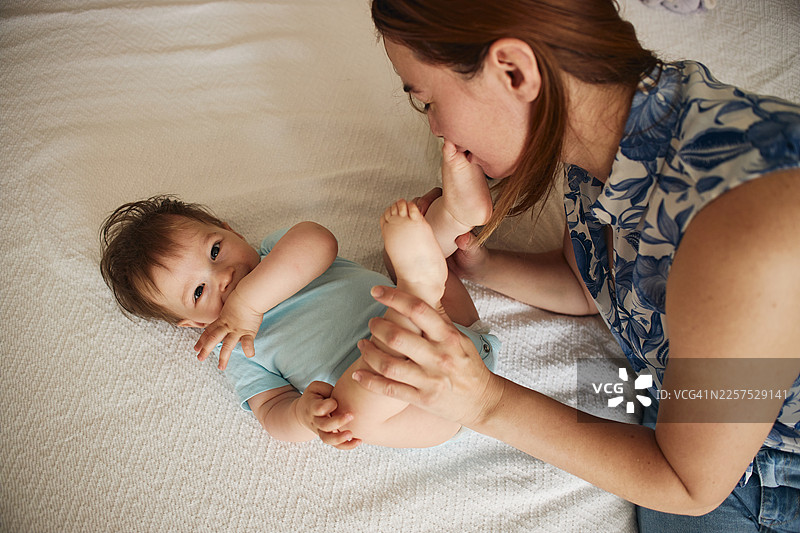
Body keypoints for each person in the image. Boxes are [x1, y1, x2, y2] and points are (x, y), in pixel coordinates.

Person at [341, 0, 800, 530]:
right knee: (590, 395)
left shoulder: (745, 232)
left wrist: (482, 402)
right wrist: (477, 262)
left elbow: (687, 484)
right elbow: (593, 288)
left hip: (764, 467)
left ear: (514, 70)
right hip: (666, 388)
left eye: (426, 102)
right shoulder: (618, 133)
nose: (438, 130)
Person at [97, 152, 499, 448]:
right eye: (199, 292)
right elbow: (272, 412)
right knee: (349, 414)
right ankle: (417, 287)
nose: (223, 278)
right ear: (195, 324)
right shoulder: (237, 353)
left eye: (216, 251)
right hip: (422, 405)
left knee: (402, 257)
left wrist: (249, 304)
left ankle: (456, 216)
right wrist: (304, 416)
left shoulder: (278, 251)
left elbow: (319, 241)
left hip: (451, 327)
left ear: (229, 229)